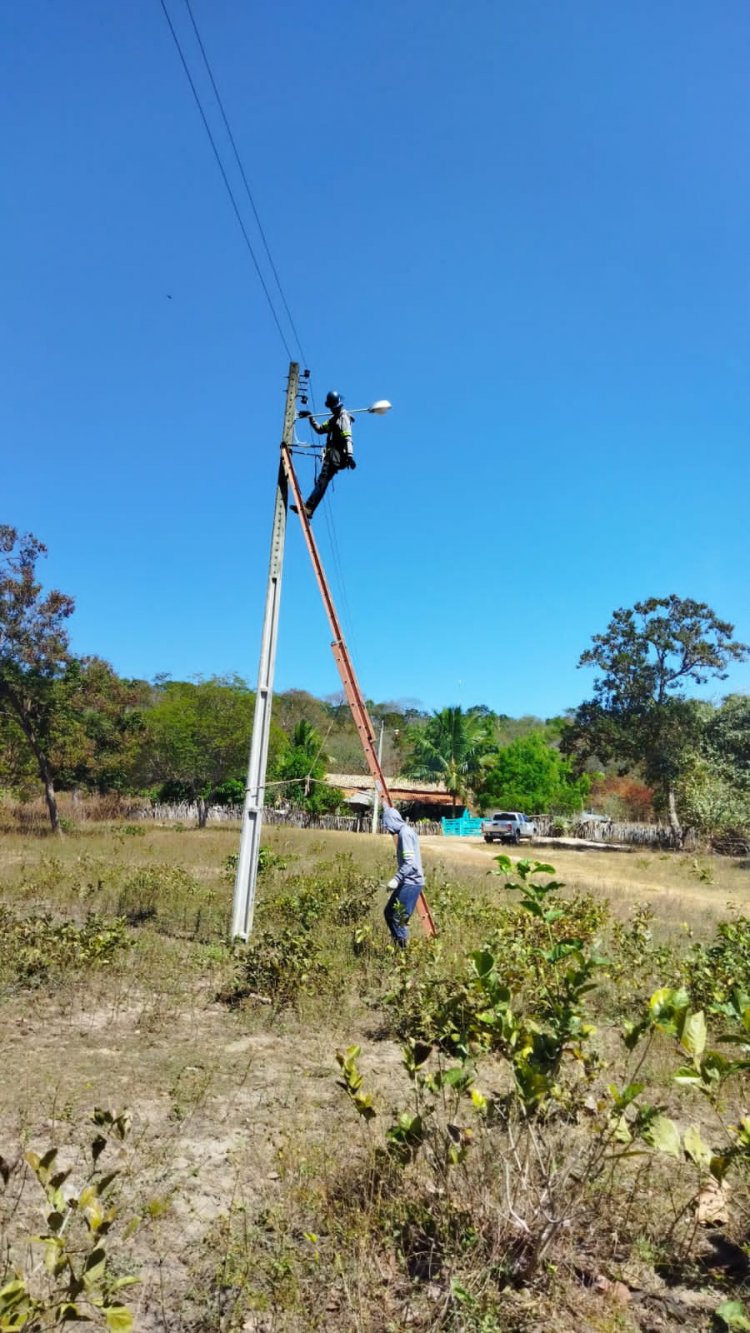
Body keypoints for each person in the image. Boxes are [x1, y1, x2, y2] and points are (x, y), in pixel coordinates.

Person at [293, 391, 355, 519]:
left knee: (323, 481)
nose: (332, 410)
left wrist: (350, 455)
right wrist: (311, 417)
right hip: (333, 455)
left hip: (337, 455)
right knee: (322, 481)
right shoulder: (333, 420)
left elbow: (348, 437)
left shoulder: (343, 418)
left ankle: (309, 508)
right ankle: (309, 507)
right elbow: (320, 429)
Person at [381, 805, 425, 947]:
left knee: (397, 918)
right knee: (390, 913)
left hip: (410, 883)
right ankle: (399, 947)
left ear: (392, 821)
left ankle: (403, 953)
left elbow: (410, 862)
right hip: (408, 882)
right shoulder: (406, 831)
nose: (388, 829)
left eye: (387, 825)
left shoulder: (404, 834)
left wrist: (396, 879)